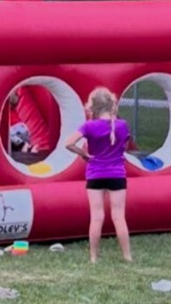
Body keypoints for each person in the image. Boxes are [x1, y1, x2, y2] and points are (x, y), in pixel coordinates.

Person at [64, 87, 132, 263]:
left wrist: (84, 154)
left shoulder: (88, 126)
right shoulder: (122, 125)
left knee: (97, 216)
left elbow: (69, 143)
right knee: (118, 216)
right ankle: (127, 256)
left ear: (93, 107)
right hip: (117, 174)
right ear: (111, 105)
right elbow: (124, 146)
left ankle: (94, 257)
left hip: (95, 174)